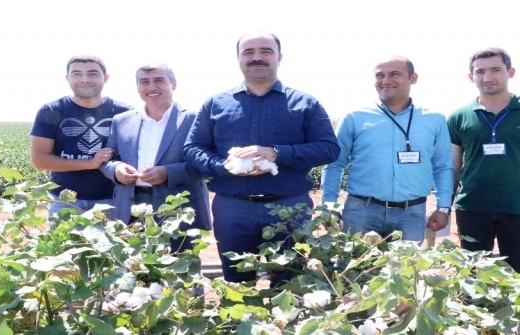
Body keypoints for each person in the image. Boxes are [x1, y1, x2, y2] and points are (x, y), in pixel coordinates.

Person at [184, 32, 340, 285]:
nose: (257, 57)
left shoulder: (305, 103)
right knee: (237, 286)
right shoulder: (216, 103)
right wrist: (223, 167)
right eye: (249, 52)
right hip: (233, 210)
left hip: (290, 208)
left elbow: (329, 149)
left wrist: (278, 153)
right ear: (238, 59)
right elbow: (193, 149)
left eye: (265, 51)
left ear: (279, 57)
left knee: (291, 286)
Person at [447, 47, 520, 279]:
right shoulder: (459, 116)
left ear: (510, 72)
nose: (488, 77)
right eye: (480, 72)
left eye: (496, 70)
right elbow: (453, 165)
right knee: (472, 275)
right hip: (472, 208)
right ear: (471, 77)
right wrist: (443, 206)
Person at [320, 56, 454, 243]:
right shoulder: (354, 118)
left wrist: (443, 207)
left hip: (412, 214)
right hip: (361, 212)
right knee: (356, 270)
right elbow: (335, 164)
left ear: (413, 78)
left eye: (394, 74)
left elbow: (443, 166)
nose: (385, 80)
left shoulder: (434, 120)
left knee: (404, 270)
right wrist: (328, 206)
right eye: (379, 75)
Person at [100, 62, 211, 252]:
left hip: (179, 211)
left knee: (180, 271)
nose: (151, 87)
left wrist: (169, 173)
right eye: (144, 82)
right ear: (138, 87)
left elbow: (207, 162)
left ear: (173, 84)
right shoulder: (122, 121)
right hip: (131, 210)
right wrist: (116, 170)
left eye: (159, 80)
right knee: (135, 271)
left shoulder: (196, 119)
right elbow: (107, 159)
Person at [30, 55, 132, 216]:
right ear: (67, 78)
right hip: (64, 200)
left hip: (112, 199)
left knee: (111, 242)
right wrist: (90, 163)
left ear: (105, 78)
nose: (84, 79)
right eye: (77, 74)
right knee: (62, 242)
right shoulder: (51, 111)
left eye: (92, 73)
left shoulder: (125, 113)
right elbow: (39, 159)